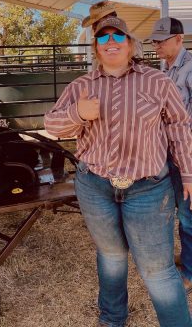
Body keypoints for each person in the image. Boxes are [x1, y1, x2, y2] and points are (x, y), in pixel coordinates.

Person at [44, 16, 192, 327]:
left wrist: (189, 173)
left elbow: (179, 127)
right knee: (111, 255)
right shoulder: (81, 86)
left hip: (148, 188)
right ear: (95, 48)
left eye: (118, 36)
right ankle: (112, 319)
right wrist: (78, 113)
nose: (110, 42)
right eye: (102, 38)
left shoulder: (157, 81)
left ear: (131, 44)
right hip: (95, 186)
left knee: (157, 269)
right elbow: (52, 125)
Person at [149, 16, 192, 293]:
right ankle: (188, 258)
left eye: (162, 40)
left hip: (188, 153)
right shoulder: (163, 70)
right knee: (179, 209)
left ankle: (190, 272)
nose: (157, 45)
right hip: (170, 152)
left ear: (179, 38)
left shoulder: (190, 69)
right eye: (155, 40)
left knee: (188, 214)